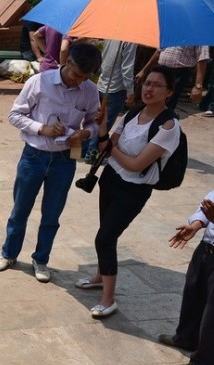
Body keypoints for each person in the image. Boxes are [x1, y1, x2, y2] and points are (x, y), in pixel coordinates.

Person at [74, 66, 181, 319]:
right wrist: (101, 127)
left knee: (105, 238)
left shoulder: (168, 125)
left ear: (169, 92)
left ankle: (108, 300)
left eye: (156, 85)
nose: (149, 89)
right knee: (105, 231)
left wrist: (112, 150)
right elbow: (107, 143)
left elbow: (136, 164)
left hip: (134, 189)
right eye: (146, 83)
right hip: (111, 179)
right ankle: (101, 276)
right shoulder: (133, 113)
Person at [0, 43, 102, 283]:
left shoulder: (90, 90)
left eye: (84, 78)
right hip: (34, 156)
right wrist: (42, 128)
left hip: (64, 159)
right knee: (20, 210)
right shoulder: (39, 82)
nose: (77, 82)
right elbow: (14, 115)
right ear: (68, 62)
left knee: (52, 214)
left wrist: (83, 134)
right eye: (75, 75)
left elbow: (93, 123)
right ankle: (9, 254)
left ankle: (41, 259)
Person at [158, 192, 214, 365]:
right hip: (207, 247)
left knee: (212, 312)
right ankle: (186, 337)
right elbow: (209, 203)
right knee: (193, 291)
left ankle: (202, 363)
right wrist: (197, 224)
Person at [84, 40, 137, 163]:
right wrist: (130, 90)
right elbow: (127, 67)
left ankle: (87, 150)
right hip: (115, 88)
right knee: (104, 124)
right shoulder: (130, 40)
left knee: (96, 119)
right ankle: (92, 153)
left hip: (103, 83)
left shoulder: (112, 33)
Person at [136, 47, 209, 110]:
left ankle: (161, 123)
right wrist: (144, 71)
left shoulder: (198, 34)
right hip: (160, 68)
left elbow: (202, 59)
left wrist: (198, 86)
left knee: (168, 102)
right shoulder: (170, 32)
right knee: (151, 96)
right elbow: (159, 51)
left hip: (179, 73)